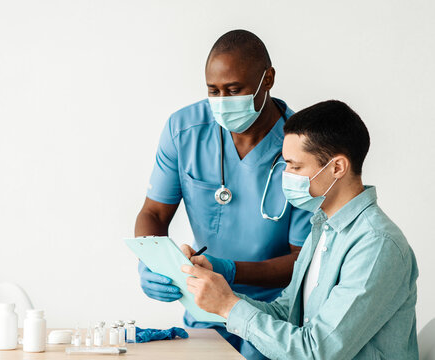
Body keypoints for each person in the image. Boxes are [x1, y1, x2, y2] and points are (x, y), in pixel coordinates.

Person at [181, 100, 419, 359]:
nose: (287, 175)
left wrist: (229, 306)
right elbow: (288, 314)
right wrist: (219, 292)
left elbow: (317, 352)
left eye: (295, 166)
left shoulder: (376, 245)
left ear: (337, 167)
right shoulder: (322, 228)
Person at [134, 29, 312, 359]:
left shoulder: (301, 146)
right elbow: (154, 214)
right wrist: (152, 259)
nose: (222, 102)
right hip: (203, 309)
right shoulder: (183, 129)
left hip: (273, 315)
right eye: (213, 91)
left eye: (234, 90)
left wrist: (228, 271)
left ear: (267, 79)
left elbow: (303, 261)